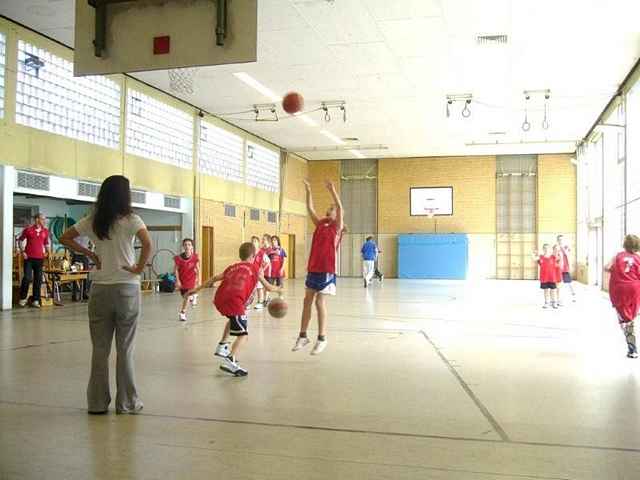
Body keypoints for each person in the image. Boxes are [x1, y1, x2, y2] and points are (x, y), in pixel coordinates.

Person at [60, 175, 152, 415]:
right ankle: (127, 403)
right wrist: (139, 269)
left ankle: (97, 403)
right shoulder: (132, 219)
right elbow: (148, 245)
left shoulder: (93, 220)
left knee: (100, 349)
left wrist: (89, 255)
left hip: (100, 289)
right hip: (127, 289)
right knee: (125, 348)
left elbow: (64, 237)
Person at [188, 242, 282, 376]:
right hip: (234, 300)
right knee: (243, 336)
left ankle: (222, 346)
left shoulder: (232, 267)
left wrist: (196, 290)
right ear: (253, 256)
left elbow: (214, 278)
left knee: (232, 319)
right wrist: (279, 290)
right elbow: (268, 287)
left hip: (220, 298)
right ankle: (230, 359)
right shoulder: (255, 268)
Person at [292, 179, 343, 355]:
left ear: (337, 214)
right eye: (329, 208)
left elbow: (340, 207)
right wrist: (308, 190)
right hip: (313, 267)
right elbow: (310, 209)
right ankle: (303, 336)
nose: (330, 210)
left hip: (327, 269)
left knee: (319, 302)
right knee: (307, 301)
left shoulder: (337, 227)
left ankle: (322, 338)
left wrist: (332, 191)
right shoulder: (321, 223)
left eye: (333, 209)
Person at [605, 235, 640, 359]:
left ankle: (632, 348)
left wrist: (615, 271)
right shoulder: (638, 258)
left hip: (619, 289)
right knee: (630, 316)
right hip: (634, 289)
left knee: (625, 320)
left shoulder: (617, 256)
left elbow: (606, 267)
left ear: (624, 244)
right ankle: (629, 330)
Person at [17, 213, 50, 308]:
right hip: (29, 259)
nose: (44, 221)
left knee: (38, 280)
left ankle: (35, 300)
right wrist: (23, 251)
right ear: (37, 219)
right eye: (42, 219)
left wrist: (48, 252)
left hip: (40, 259)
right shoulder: (28, 230)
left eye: (44, 219)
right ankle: (23, 298)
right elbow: (20, 240)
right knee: (27, 278)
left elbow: (46, 243)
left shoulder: (45, 231)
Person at [174, 238, 199, 322]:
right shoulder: (179, 258)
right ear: (183, 246)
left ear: (192, 246)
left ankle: (182, 313)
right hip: (182, 280)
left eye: (189, 245)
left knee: (186, 296)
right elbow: (176, 270)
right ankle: (193, 296)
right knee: (184, 296)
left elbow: (198, 268)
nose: (187, 246)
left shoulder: (195, 257)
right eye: (185, 245)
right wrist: (177, 280)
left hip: (191, 279)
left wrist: (199, 279)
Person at [533, 244, 560, 309]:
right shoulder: (541, 257)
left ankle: (554, 302)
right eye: (544, 248)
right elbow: (534, 259)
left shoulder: (553, 256)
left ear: (549, 249)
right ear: (543, 249)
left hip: (552, 277)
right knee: (546, 290)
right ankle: (546, 303)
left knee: (553, 290)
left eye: (547, 248)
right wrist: (534, 253)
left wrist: (556, 250)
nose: (546, 249)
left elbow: (558, 258)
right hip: (544, 277)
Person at [251, 235, 270, 309]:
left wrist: (262, 269)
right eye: (252, 241)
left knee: (259, 288)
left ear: (258, 243)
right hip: (251, 274)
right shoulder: (251, 252)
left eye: (255, 241)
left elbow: (268, 262)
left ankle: (260, 302)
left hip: (258, 274)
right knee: (251, 289)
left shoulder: (262, 253)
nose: (253, 243)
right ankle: (249, 302)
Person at [71, 235, 92, 302]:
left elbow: (91, 244)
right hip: (76, 256)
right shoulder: (75, 235)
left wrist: (90, 250)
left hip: (84, 257)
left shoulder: (87, 235)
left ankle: (84, 293)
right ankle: (74, 294)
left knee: (86, 275)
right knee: (74, 275)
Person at [557, 235, 576, 301]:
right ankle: (560, 298)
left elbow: (568, 254)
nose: (560, 241)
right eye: (559, 239)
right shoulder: (556, 248)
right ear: (557, 240)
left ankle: (573, 295)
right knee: (559, 283)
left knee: (569, 283)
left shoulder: (566, 247)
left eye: (561, 239)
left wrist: (563, 249)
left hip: (565, 268)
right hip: (559, 268)